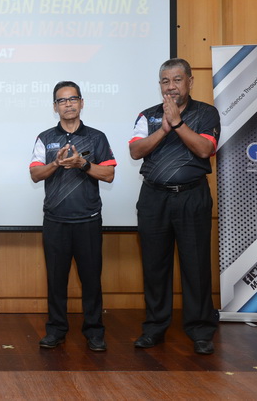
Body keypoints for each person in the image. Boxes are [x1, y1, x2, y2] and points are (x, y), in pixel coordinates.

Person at [129, 58, 220, 355]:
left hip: (191, 197)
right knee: (155, 266)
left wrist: (178, 123)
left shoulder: (206, 113)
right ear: (160, 85)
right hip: (154, 198)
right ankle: (155, 328)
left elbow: (205, 149)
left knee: (196, 265)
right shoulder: (148, 116)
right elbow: (135, 151)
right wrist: (163, 129)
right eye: (165, 81)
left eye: (177, 80)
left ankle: (200, 329)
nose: (171, 87)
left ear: (190, 82)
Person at [29, 81, 116, 352]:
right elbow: (35, 174)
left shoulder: (97, 137)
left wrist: (83, 164)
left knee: (91, 280)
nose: (68, 104)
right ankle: (56, 330)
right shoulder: (45, 138)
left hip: (88, 219)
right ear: (55, 107)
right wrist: (55, 163)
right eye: (62, 100)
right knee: (56, 280)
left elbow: (109, 174)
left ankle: (94, 332)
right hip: (55, 221)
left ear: (82, 103)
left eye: (73, 99)